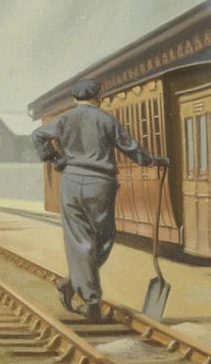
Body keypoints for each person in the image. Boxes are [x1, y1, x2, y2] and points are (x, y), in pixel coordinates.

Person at [31, 79, 168, 321]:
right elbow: (130, 146)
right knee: (104, 239)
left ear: (74, 99)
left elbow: (37, 135)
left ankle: (72, 283)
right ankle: (92, 303)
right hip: (101, 185)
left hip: (71, 183)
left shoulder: (64, 119)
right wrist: (152, 160)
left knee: (81, 242)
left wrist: (55, 159)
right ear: (98, 97)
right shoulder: (106, 119)